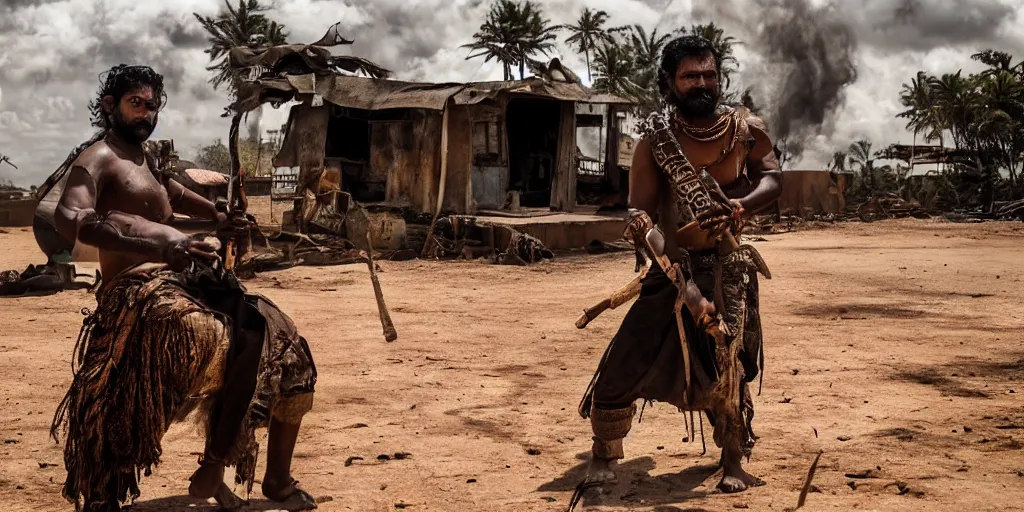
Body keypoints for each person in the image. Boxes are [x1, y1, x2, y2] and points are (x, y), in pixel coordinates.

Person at [48, 64, 318, 511]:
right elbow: (71, 217)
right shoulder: (97, 158)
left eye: (153, 106)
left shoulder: (146, 160)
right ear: (110, 105)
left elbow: (171, 200)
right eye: (137, 103)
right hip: (137, 292)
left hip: (182, 278)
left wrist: (219, 220)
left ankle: (267, 477)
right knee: (195, 338)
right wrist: (157, 244)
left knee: (283, 337)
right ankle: (107, 493)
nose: (147, 114)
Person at [577, 35, 782, 494]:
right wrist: (678, 280)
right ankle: (604, 451)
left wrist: (740, 206)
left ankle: (732, 461)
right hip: (670, 270)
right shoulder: (655, 142)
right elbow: (641, 214)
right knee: (627, 356)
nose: (702, 83)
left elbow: (773, 179)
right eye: (691, 76)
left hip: (729, 269)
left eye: (709, 74)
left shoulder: (745, 129)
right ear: (670, 82)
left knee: (730, 364)